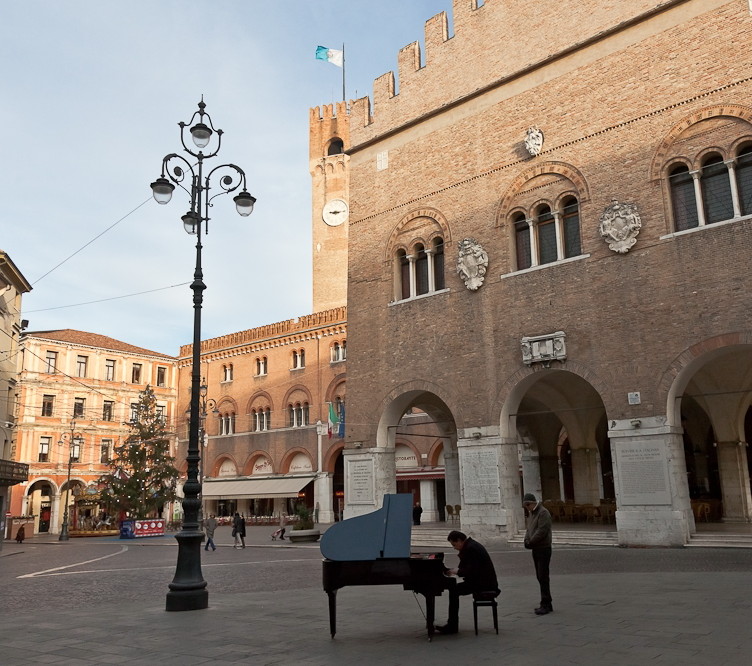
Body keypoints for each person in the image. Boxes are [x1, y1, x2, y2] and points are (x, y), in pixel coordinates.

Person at [435, 530, 499, 635]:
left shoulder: (471, 548)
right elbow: (469, 568)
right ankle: (452, 624)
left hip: (483, 584)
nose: (454, 547)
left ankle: (452, 626)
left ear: (460, 540)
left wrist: (457, 571)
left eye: (454, 544)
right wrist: (455, 571)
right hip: (483, 581)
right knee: (454, 590)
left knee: (454, 591)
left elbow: (472, 571)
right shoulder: (470, 546)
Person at [523, 493, 553, 615]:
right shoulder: (532, 514)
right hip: (536, 548)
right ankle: (546, 602)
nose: (527, 507)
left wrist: (531, 541)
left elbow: (542, 530)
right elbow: (529, 529)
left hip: (543, 548)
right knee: (539, 576)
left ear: (534, 502)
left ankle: (546, 603)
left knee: (543, 575)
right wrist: (526, 540)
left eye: (528, 504)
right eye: (525, 505)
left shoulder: (543, 513)